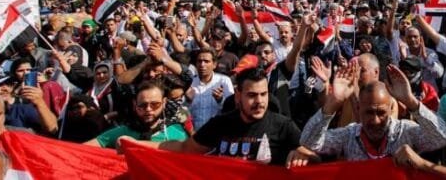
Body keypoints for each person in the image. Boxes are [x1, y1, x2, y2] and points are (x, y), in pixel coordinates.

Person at [125, 67, 303, 166]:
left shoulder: (283, 126)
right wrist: (136, 145)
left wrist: (303, 156)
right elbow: (184, 148)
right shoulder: (221, 123)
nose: (259, 101)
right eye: (252, 95)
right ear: (238, 95)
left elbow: (311, 156)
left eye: (263, 94)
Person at [298, 62, 446, 160]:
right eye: (369, 112)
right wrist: (333, 102)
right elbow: (308, 142)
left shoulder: (406, 132)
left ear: (391, 109)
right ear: (359, 109)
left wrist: (411, 102)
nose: (375, 121)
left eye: (381, 113)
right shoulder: (348, 136)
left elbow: (442, 137)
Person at [85, 81, 187, 148]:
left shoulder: (177, 132)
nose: (148, 109)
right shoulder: (125, 131)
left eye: (155, 104)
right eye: (142, 105)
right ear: (135, 104)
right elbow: (84, 149)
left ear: (164, 102)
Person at [186, 48, 234, 130]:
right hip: (194, 133)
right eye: (199, 61)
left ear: (214, 64)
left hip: (217, 132)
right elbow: (182, 113)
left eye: (206, 61)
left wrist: (221, 100)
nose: (202, 64)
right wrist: (188, 101)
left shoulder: (224, 81)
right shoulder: (189, 83)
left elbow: (232, 109)